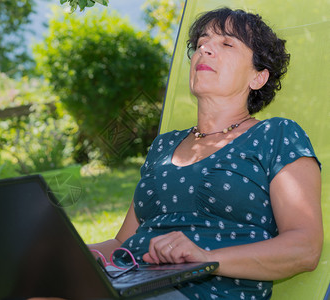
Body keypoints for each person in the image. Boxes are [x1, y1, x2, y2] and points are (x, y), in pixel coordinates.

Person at [89, 7, 323, 300]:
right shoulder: (163, 146)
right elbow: (124, 241)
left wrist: (206, 257)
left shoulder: (276, 135)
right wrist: (70, 253)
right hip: (128, 282)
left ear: (258, 77)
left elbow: (305, 248)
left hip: (208, 292)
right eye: (201, 44)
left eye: (226, 44)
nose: (205, 49)